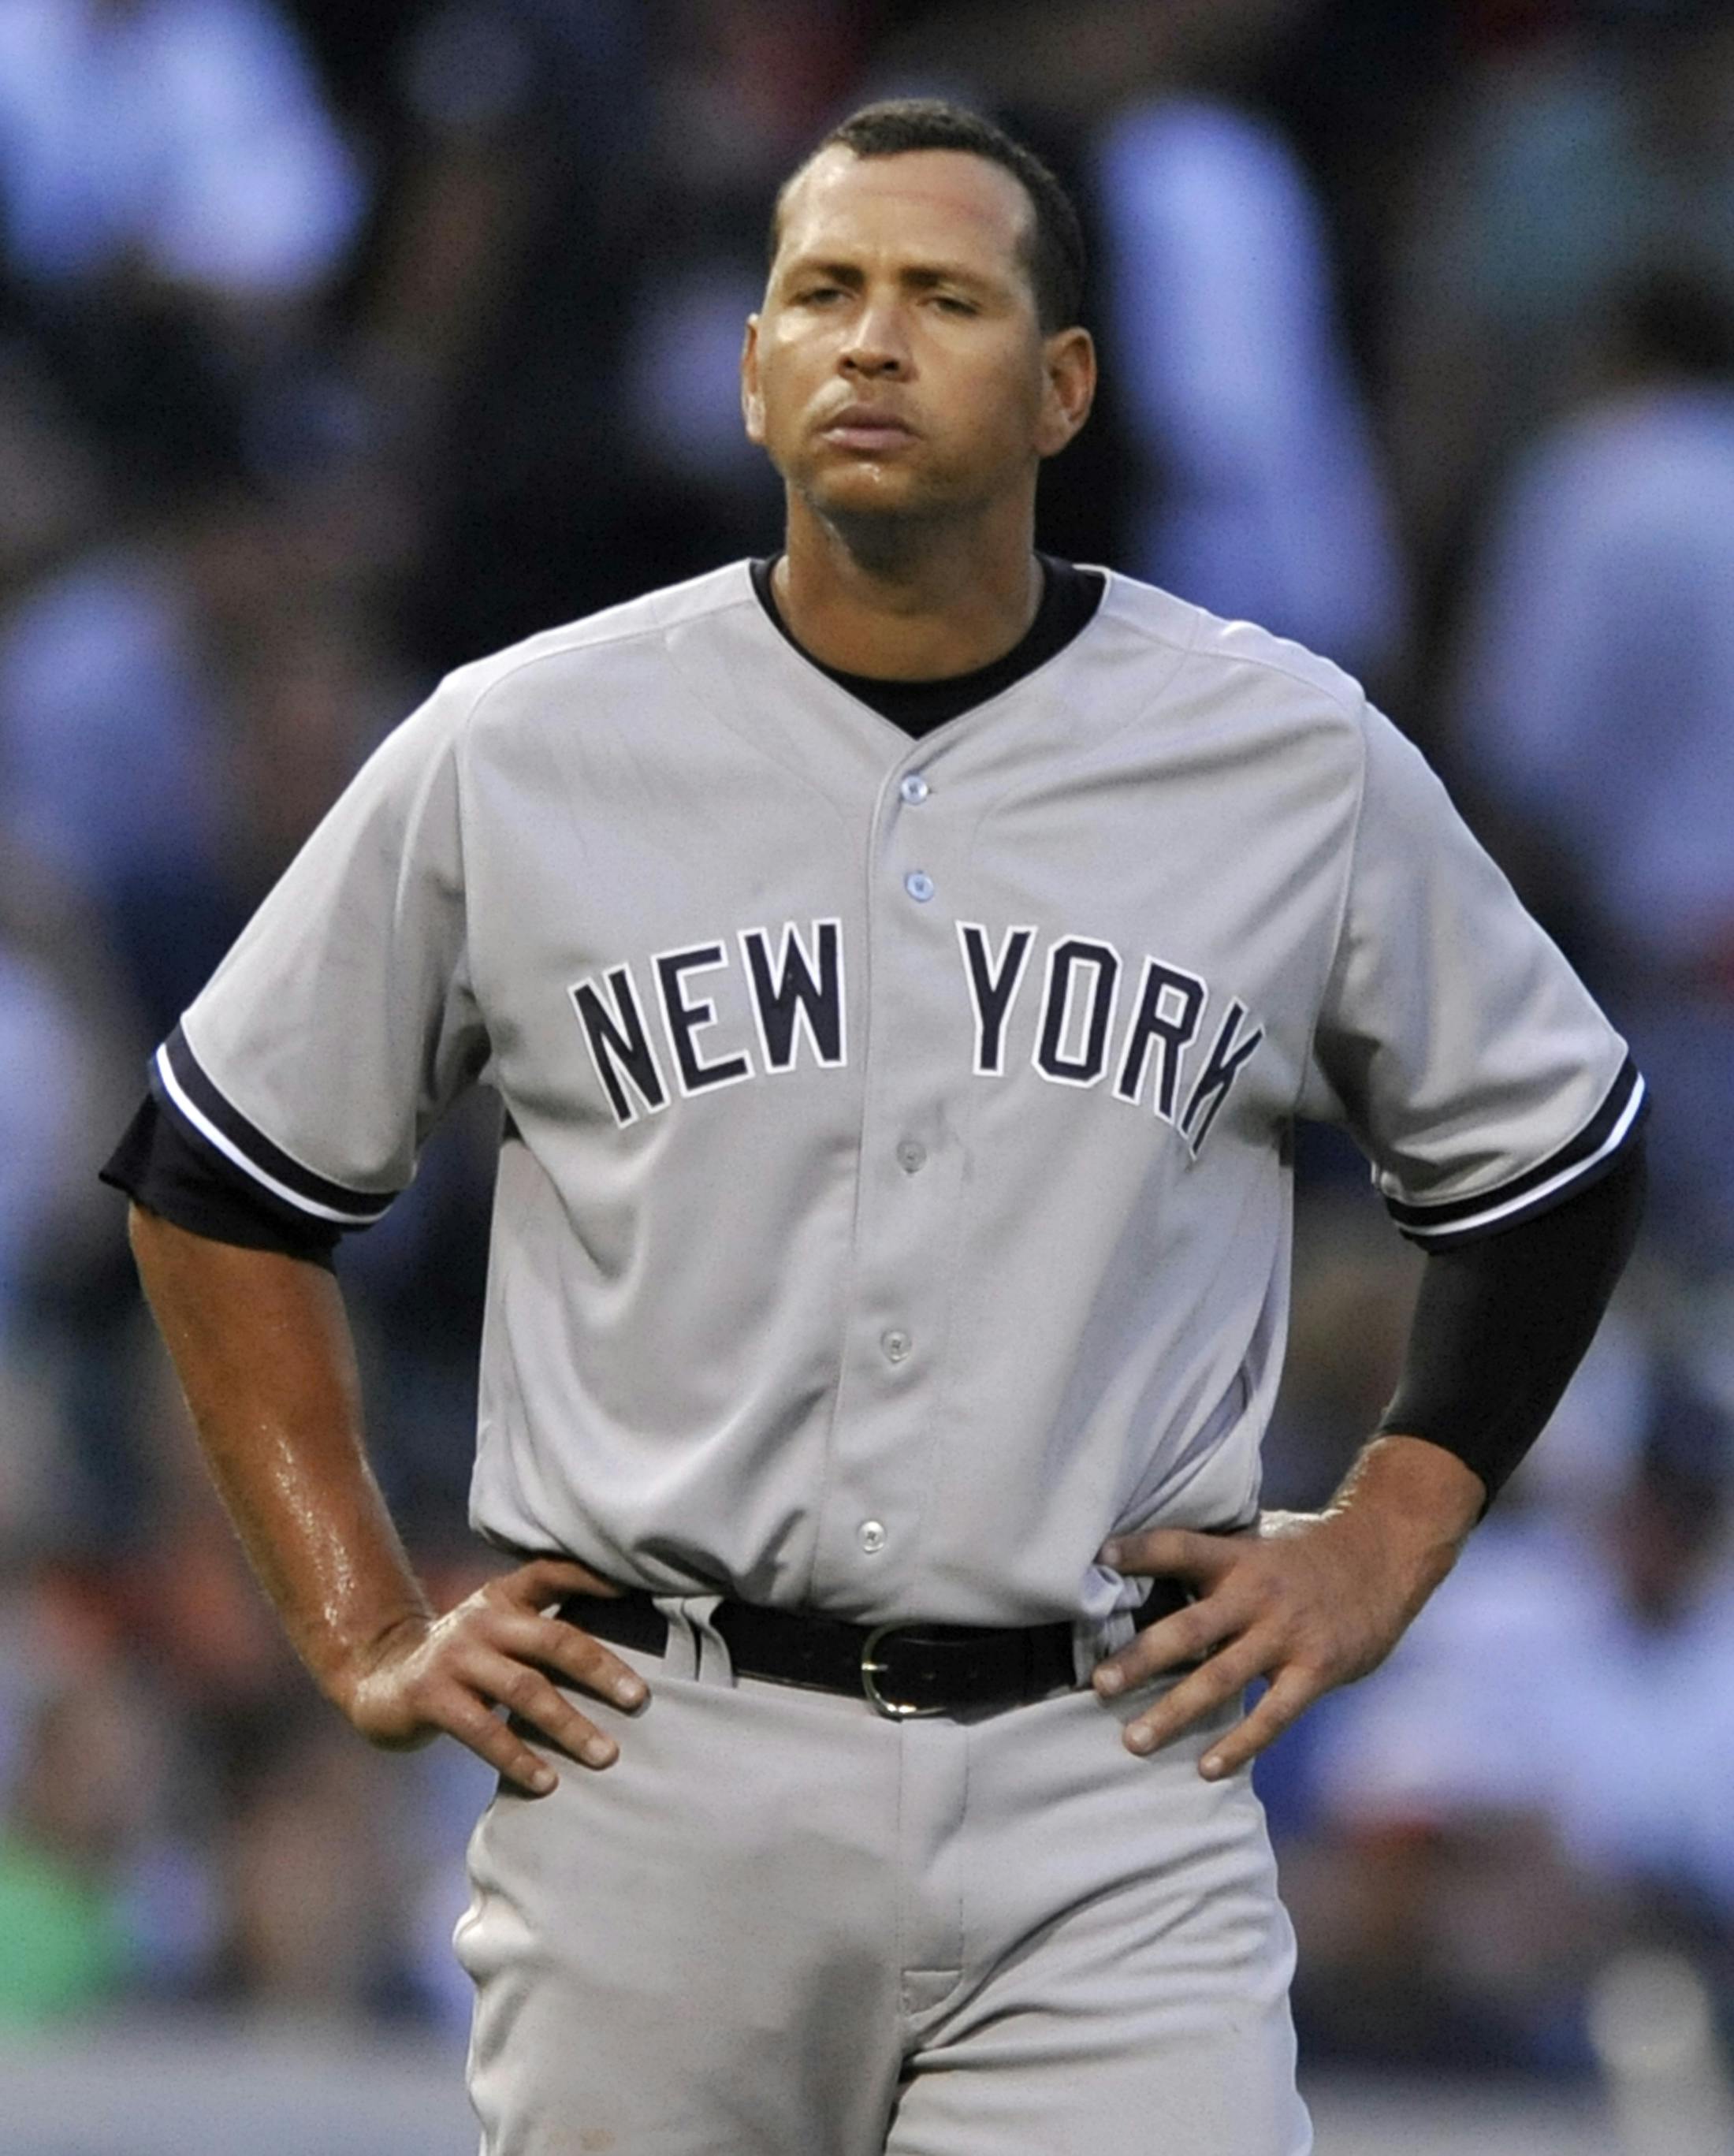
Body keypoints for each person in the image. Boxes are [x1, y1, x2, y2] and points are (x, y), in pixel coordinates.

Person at [106, 99, 1647, 2155]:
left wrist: (1392, 1527)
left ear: (1065, 385)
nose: (872, 341)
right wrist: (363, 1614)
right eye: (823, 293)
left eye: (945, 296)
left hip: (1107, 1779)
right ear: (752, 368)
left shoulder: (1283, 754)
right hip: (659, 1768)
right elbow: (222, 1176)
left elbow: (1554, 1157)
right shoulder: (524, 742)